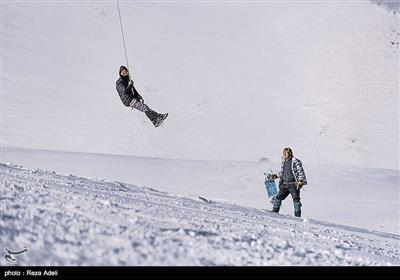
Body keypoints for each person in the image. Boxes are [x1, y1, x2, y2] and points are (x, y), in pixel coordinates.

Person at [269, 147, 307, 217]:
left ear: (290, 153)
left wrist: (301, 181)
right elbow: (284, 172)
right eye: (284, 153)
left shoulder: (296, 161)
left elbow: (300, 171)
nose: (285, 154)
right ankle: (274, 212)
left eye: (287, 153)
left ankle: (297, 216)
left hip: (294, 185)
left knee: (296, 200)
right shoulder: (284, 161)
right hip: (284, 184)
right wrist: (276, 176)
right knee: (278, 198)